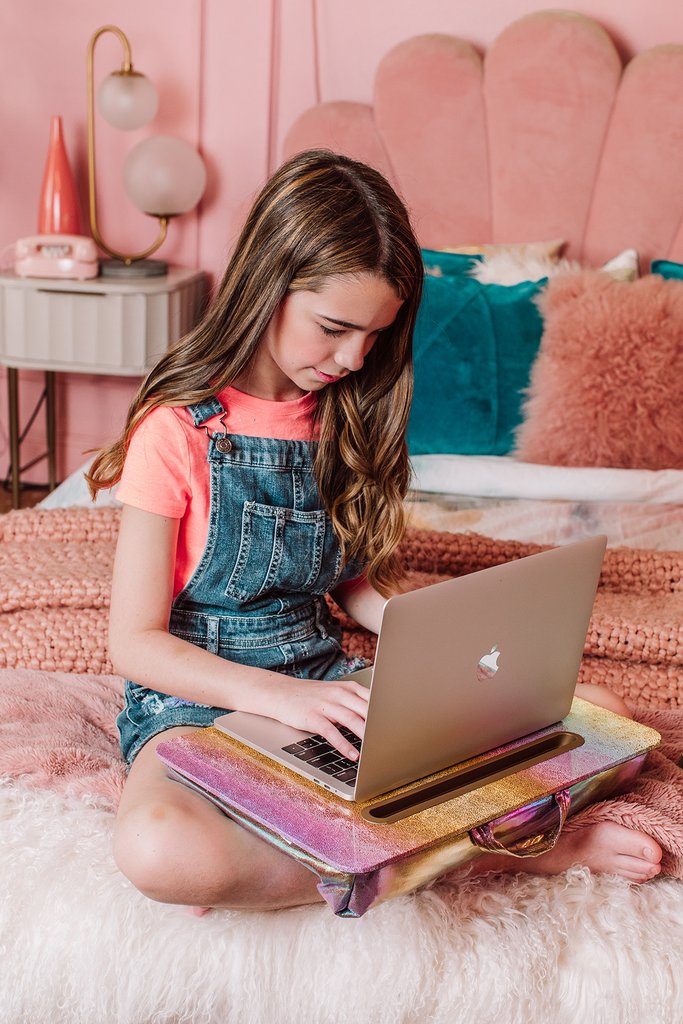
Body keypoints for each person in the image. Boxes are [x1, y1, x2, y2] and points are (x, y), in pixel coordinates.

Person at [88, 150, 661, 914]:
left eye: (374, 336)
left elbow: (351, 584)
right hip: (196, 701)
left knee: (605, 718)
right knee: (161, 849)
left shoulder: (345, 416)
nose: (355, 357)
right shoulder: (177, 431)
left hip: (326, 686)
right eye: (334, 328)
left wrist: (429, 637)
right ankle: (502, 853)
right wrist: (275, 700)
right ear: (269, 285)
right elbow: (134, 643)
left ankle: (375, 852)